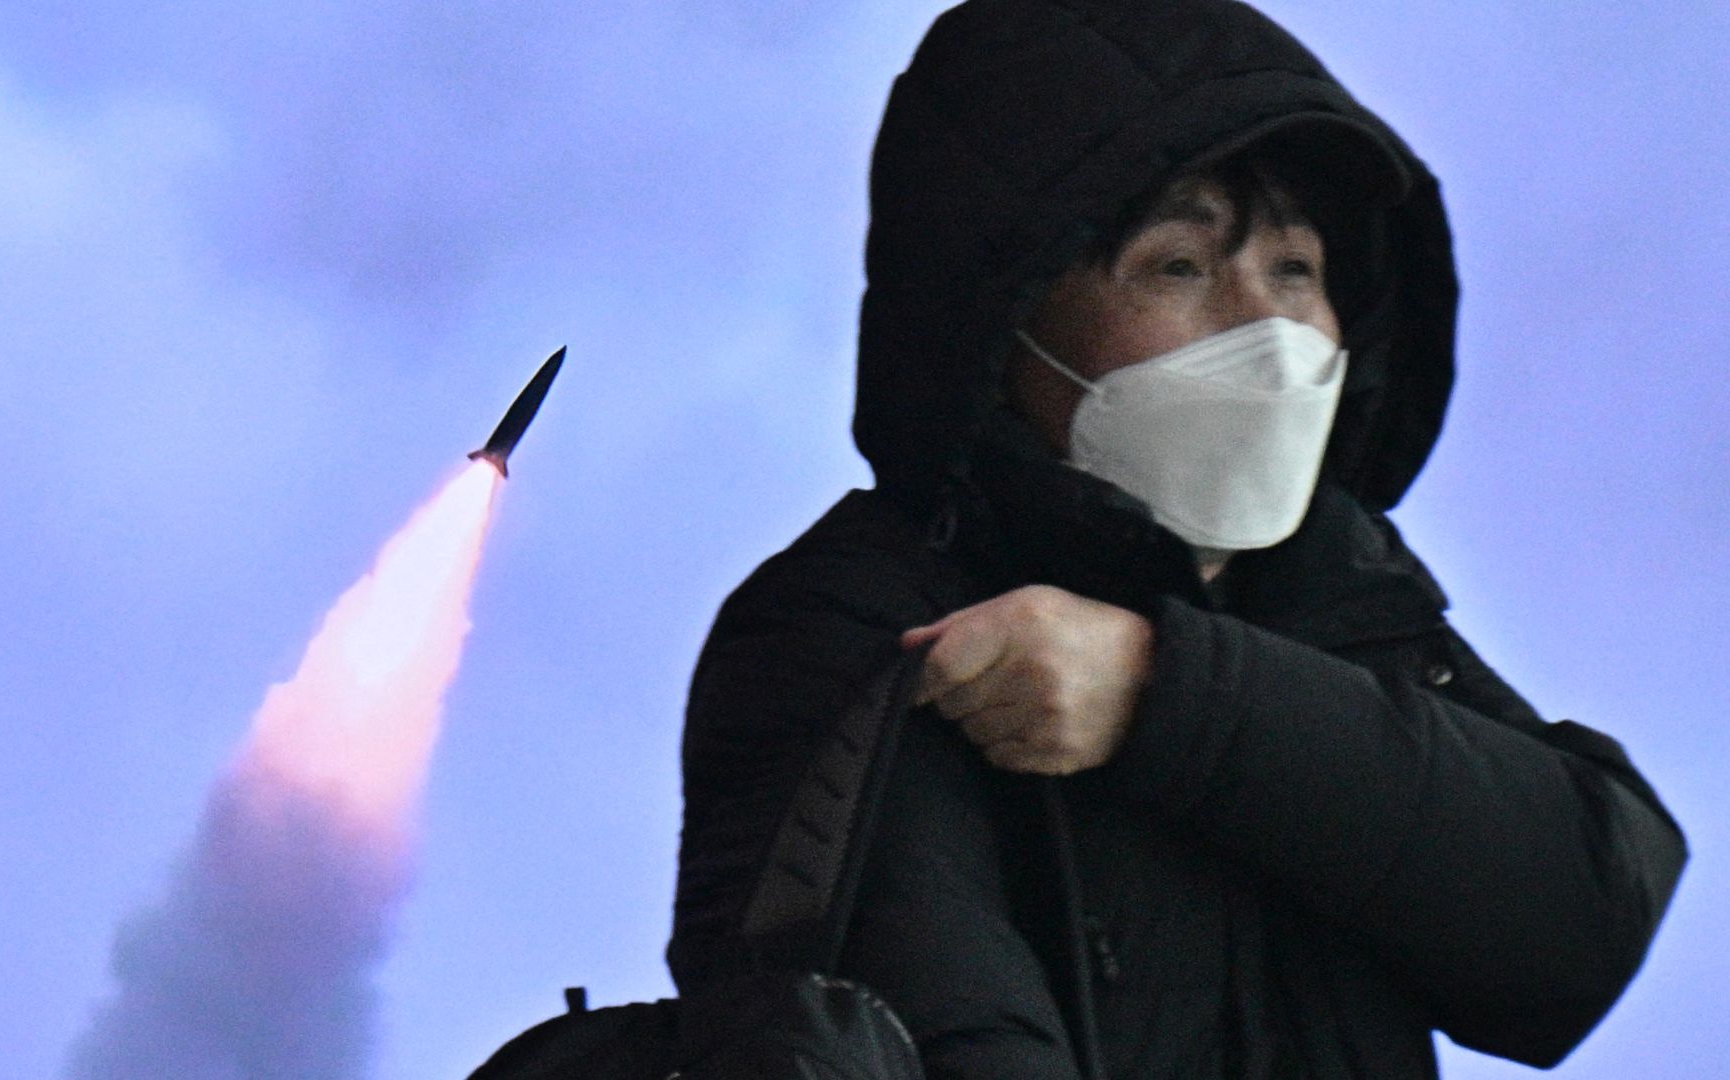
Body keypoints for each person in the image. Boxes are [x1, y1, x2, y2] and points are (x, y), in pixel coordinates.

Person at [667, 1, 1687, 1077]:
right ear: (1000, 321)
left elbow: (1588, 913)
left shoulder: (1332, 595)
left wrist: (1171, 695)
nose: (1269, 328)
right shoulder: (863, 626)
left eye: (1296, 269)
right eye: (1180, 268)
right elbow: (920, 1032)